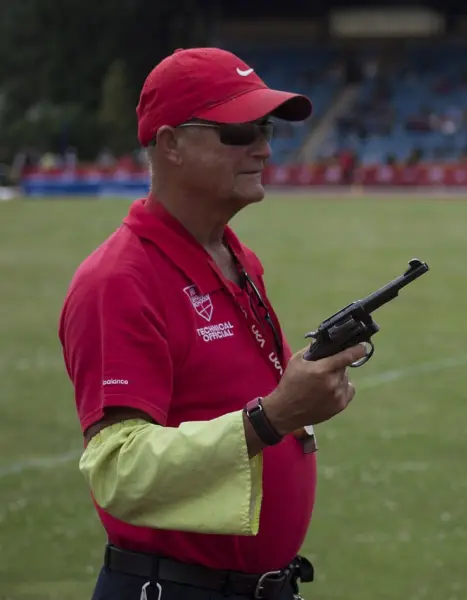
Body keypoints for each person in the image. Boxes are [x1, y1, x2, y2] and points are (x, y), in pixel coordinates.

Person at [58, 47, 367, 600]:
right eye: (239, 132)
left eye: (266, 129)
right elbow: (118, 470)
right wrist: (273, 417)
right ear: (171, 144)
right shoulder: (119, 280)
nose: (265, 149)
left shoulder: (235, 256)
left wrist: (302, 392)